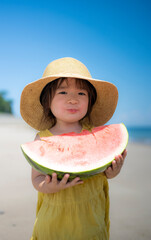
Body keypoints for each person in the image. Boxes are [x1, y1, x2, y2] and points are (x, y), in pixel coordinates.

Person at [20, 57, 127, 240]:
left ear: (90, 101)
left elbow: (104, 173)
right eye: (62, 93)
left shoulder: (94, 136)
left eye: (81, 94)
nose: (72, 100)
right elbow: (36, 180)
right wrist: (49, 186)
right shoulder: (42, 138)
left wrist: (113, 171)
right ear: (47, 102)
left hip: (91, 221)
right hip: (54, 222)